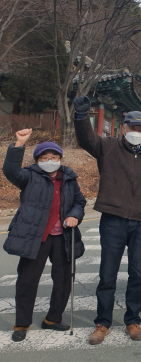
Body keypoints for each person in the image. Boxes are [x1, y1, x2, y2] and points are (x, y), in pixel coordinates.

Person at [74, 98, 141, 344]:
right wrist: (82, 114)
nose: (136, 132)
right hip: (113, 219)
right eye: (132, 128)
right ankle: (102, 322)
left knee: (138, 274)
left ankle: (132, 320)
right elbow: (86, 140)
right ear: (123, 128)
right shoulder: (107, 147)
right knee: (108, 273)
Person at [3, 130, 86, 342]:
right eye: (44, 158)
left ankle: (53, 318)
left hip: (63, 237)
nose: (50, 161)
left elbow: (79, 202)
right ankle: (21, 323)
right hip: (36, 237)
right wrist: (19, 144)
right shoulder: (29, 176)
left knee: (63, 280)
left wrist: (75, 215)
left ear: (60, 159)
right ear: (38, 160)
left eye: (54, 158)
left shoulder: (69, 178)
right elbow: (10, 171)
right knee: (27, 281)